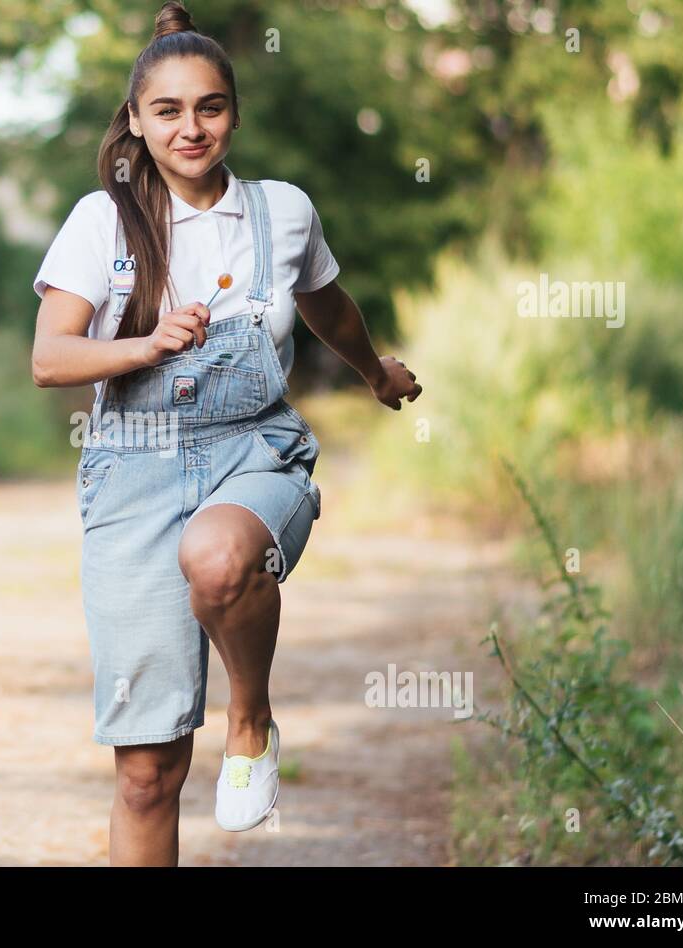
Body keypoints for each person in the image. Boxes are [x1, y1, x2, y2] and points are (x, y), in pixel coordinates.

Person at [30, 0, 421, 866]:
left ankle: (250, 721)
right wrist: (148, 342)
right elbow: (50, 358)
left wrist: (374, 372)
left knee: (218, 557)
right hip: (131, 474)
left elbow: (327, 307)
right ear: (136, 120)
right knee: (145, 772)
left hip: (253, 450)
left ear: (233, 114)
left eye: (209, 106)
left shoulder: (282, 213)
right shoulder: (104, 223)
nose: (190, 127)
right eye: (166, 110)